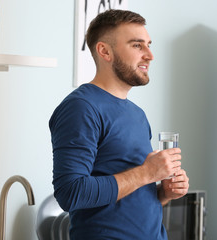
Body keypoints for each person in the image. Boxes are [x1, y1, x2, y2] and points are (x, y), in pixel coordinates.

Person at [49, 9, 189, 240]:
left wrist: (162, 193)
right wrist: (147, 173)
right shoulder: (81, 108)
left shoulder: (137, 114)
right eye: (137, 45)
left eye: (148, 45)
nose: (150, 55)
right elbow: (70, 193)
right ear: (105, 51)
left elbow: (130, 197)